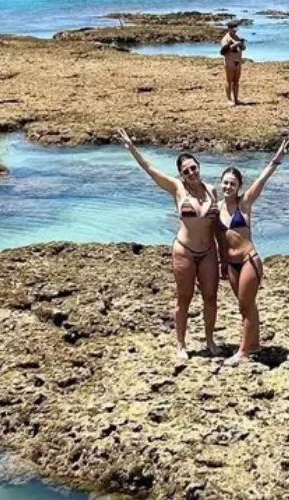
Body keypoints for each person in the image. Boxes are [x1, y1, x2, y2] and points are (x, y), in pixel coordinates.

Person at [116, 128, 222, 359]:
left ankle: (210, 341)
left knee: (211, 297)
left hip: (208, 252)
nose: (192, 172)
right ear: (181, 174)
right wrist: (132, 148)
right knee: (184, 298)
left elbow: (223, 221)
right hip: (184, 251)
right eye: (186, 171)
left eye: (194, 168)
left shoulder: (212, 191)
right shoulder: (177, 189)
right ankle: (181, 344)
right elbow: (151, 170)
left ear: (199, 167)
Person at [217, 140, 289, 365]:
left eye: (233, 184)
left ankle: (243, 352)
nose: (228, 187)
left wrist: (275, 161)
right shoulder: (216, 208)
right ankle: (254, 344)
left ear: (239, 186)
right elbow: (218, 239)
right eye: (225, 183)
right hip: (231, 264)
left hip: (249, 261)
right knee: (246, 305)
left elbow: (261, 179)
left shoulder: (244, 203)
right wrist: (221, 263)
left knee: (245, 305)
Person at [220, 21, 246, 106]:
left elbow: (243, 48)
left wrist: (241, 44)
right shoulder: (226, 38)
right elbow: (224, 51)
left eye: (236, 30)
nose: (235, 31)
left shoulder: (237, 37)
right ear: (229, 29)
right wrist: (235, 44)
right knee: (229, 80)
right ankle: (229, 99)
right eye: (233, 30)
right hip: (229, 61)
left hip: (238, 61)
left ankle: (236, 99)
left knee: (236, 81)